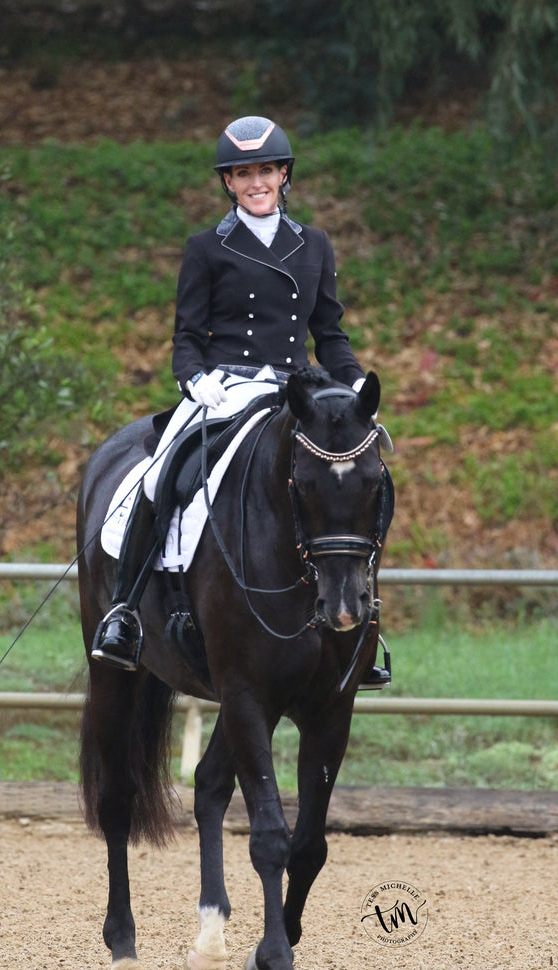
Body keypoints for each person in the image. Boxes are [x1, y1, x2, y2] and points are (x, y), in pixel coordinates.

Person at [91, 116, 392, 686]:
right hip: (224, 387)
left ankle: (361, 622)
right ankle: (125, 613)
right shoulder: (207, 247)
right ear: (229, 182)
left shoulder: (314, 245)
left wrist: (352, 385)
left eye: (266, 171)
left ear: (284, 175)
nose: (257, 182)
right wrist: (193, 379)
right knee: (160, 478)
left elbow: (329, 333)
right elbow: (187, 335)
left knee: (357, 480)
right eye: (243, 173)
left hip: (294, 390)